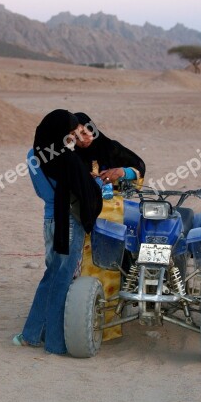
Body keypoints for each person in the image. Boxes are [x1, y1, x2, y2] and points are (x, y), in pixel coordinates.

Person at [13, 109, 102, 355]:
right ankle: (54, 342)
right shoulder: (66, 160)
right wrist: (94, 183)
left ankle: (32, 334)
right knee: (62, 280)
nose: (72, 137)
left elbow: (45, 193)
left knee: (51, 277)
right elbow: (83, 190)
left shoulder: (34, 155)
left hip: (50, 220)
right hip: (68, 223)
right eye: (70, 133)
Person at [73, 112, 146, 342]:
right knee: (86, 270)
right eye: (75, 135)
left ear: (92, 129)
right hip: (85, 218)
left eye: (84, 131)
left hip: (115, 217)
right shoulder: (70, 156)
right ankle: (81, 328)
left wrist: (122, 172)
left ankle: (109, 330)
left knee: (112, 269)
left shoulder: (110, 148)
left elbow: (139, 168)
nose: (81, 138)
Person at [73, 112, 146, 184]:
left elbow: (139, 166)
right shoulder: (73, 157)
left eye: (84, 133)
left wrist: (122, 172)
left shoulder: (112, 148)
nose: (82, 140)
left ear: (92, 129)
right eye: (76, 137)